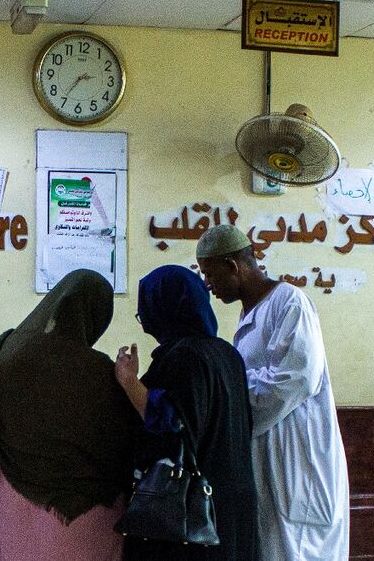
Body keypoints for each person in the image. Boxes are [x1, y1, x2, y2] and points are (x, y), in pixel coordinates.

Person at [0, 269, 144, 561]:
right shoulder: (98, 370)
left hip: (14, 501)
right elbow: (124, 439)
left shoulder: (6, 351)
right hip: (85, 511)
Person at [195, 224, 349, 560]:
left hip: (298, 461)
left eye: (210, 274)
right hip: (267, 463)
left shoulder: (290, 302)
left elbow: (294, 380)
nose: (207, 285)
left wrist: (229, 396)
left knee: (297, 548)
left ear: (234, 266)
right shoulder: (249, 314)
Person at [114, 265, 257, 560]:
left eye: (147, 312)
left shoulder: (183, 357)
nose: (144, 325)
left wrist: (128, 381)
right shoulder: (227, 354)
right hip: (232, 506)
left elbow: (170, 426)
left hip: (192, 514)